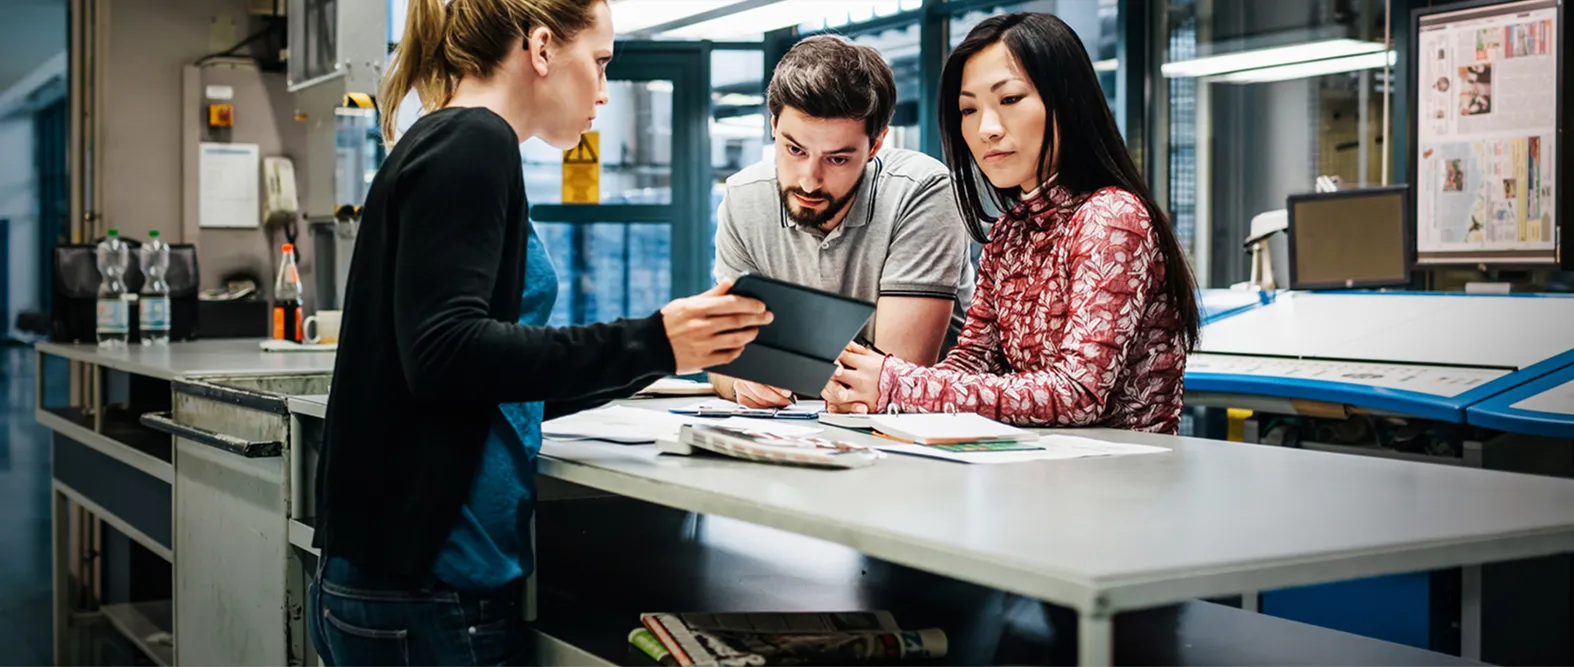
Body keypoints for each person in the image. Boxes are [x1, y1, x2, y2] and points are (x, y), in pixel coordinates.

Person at [308, 0, 771, 664]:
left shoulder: (446, 137)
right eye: (601, 62)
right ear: (544, 47)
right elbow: (445, 353)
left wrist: (661, 358)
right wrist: (652, 340)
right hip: (429, 592)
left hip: (399, 588)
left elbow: (492, 382)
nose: (605, 93)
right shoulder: (474, 142)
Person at [823, 12, 1201, 434]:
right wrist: (864, 388)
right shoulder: (1011, 231)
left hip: (1123, 481)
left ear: (1068, 100)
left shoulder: (1113, 217)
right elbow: (972, 362)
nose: (986, 129)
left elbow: (1079, 394)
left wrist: (899, 385)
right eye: (968, 109)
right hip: (1037, 472)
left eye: (1010, 99)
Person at [711, 34, 976, 408]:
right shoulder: (743, 196)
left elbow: (890, 379)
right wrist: (742, 378)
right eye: (795, 149)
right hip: (805, 435)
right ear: (773, 124)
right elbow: (724, 355)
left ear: (876, 144)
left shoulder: (922, 191)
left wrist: (776, 362)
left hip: (919, 436)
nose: (808, 180)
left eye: (837, 158)